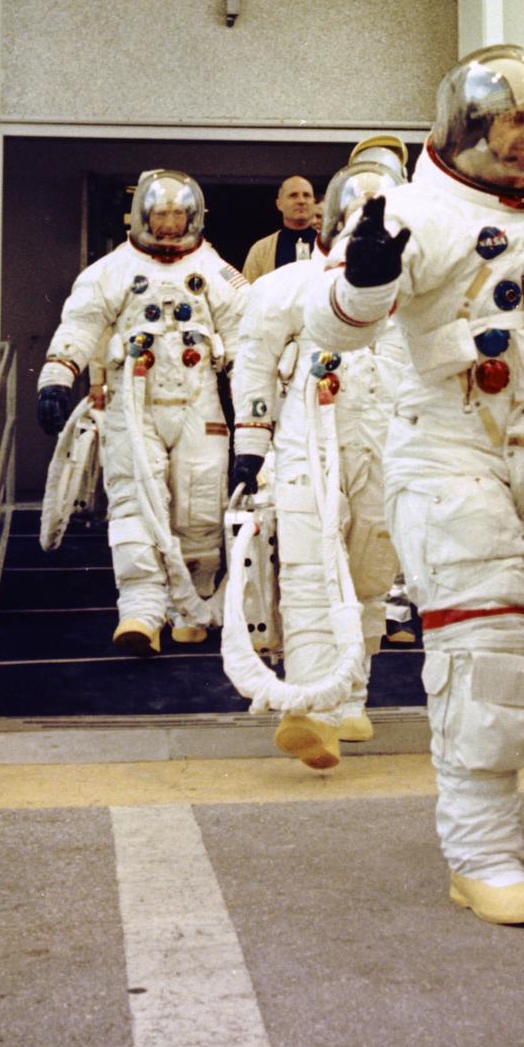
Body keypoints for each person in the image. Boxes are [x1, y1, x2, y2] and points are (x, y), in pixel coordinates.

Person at [302, 45, 524, 926]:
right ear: (472, 126)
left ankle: (513, 796)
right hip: (452, 453)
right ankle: (484, 852)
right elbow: (333, 328)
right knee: (484, 650)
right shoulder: (410, 212)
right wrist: (369, 277)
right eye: (512, 120)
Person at [229, 162, 404, 769]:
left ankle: (353, 696)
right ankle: (309, 710)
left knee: (369, 570)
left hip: (387, 442)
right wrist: (250, 445)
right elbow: (252, 360)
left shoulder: (415, 290)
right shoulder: (288, 285)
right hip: (308, 443)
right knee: (306, 569)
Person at [36, 171, 248, 656]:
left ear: (192, 217)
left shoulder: (217, 273)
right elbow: (81, 323)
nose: (170, 225)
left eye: (178, 214)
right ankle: (141, 610)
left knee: (198, 502)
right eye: (161, 214)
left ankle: (192, 606)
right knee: (133, 500)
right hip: (132, 405)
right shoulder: (110, 272)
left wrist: (257, 406)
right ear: (143, 216)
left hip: (200, 403)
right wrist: (56, 380)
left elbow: (246, 337)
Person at [242, 175, 320, 282]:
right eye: (293, 195)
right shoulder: (260, 250)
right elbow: (247, 293)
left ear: (314, 203)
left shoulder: (331, 245)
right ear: (279, 204)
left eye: (307, 195)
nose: (301, 201)